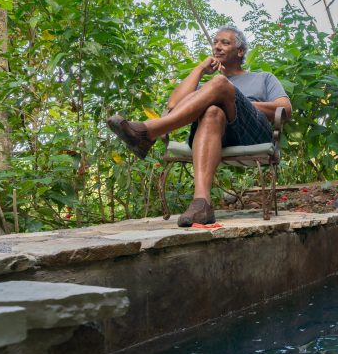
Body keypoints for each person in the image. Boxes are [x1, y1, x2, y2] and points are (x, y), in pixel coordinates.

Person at [107, 26, 291, 226]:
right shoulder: (209, 88)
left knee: (220, 85)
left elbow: (285, 110)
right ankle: (201, 203)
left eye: (225, 43)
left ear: (240, 52)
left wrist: (236, 99)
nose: (217, 47)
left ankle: (149, 132)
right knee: (212, 111)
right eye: (215, 42)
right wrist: (200, 69)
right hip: (218, 133)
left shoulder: (262, 78)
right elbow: (173, 105)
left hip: (253, 132)